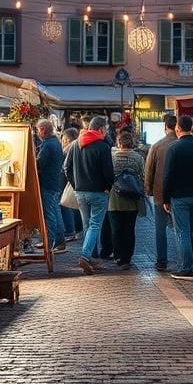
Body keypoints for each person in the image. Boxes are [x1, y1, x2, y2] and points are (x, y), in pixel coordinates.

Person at [162, 115, 193, 280]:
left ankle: (186, 268)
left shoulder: (174, 149)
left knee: (182, 231)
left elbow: (168, 176)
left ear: (178, 129)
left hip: (179, 196)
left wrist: (165, 198)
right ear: (191, 128)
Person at [63, 116, 114, 274]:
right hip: (98, 192)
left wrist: (75, 184)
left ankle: (91, 257)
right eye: (105, 129)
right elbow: (108, 171)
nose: (106, 132)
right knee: (95, 225)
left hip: (80, 192)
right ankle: (85, 256)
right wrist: (108, 186)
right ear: (100, 129)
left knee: (87, 226)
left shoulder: (75, 144)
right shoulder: (102, 146)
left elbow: (66, 167)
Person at [144, 114, 178, 271]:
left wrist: (148, 190)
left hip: (160, 193)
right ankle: (185, 260)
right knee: (183, 229)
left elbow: (149, 170)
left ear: (165, 128)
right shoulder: (181, 144)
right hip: (180, 194)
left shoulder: (157, 146)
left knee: (160, 229)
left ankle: (162, 260)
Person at [108, 130, 144, 270]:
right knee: (129, 229)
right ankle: (127, 257)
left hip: (114, 199)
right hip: (132, 199)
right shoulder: (138, 157)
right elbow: (142, 175)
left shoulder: (112, 157)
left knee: (116, 229)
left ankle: (118, 256)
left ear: (119, 142)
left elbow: (108, 175)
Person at [35, 120, 66, 255]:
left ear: (42, 129)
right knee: (55, 210)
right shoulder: (55, 142)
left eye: (38, 129)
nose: (37, 132)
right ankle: (59, 241)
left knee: (50, 213)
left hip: (48, 182)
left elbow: (40, 163)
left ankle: (51, 242)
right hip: (54, 182)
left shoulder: (48, 144)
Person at [60, 128, 80, 240]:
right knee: (73, 206)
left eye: (63, 139)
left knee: (66, 205)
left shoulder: (67, 149)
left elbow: (65, 168)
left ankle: (70, 231)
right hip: (75, 181)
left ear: (66, 139)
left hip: (68, 182)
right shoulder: (77, 146)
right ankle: (75, 230)